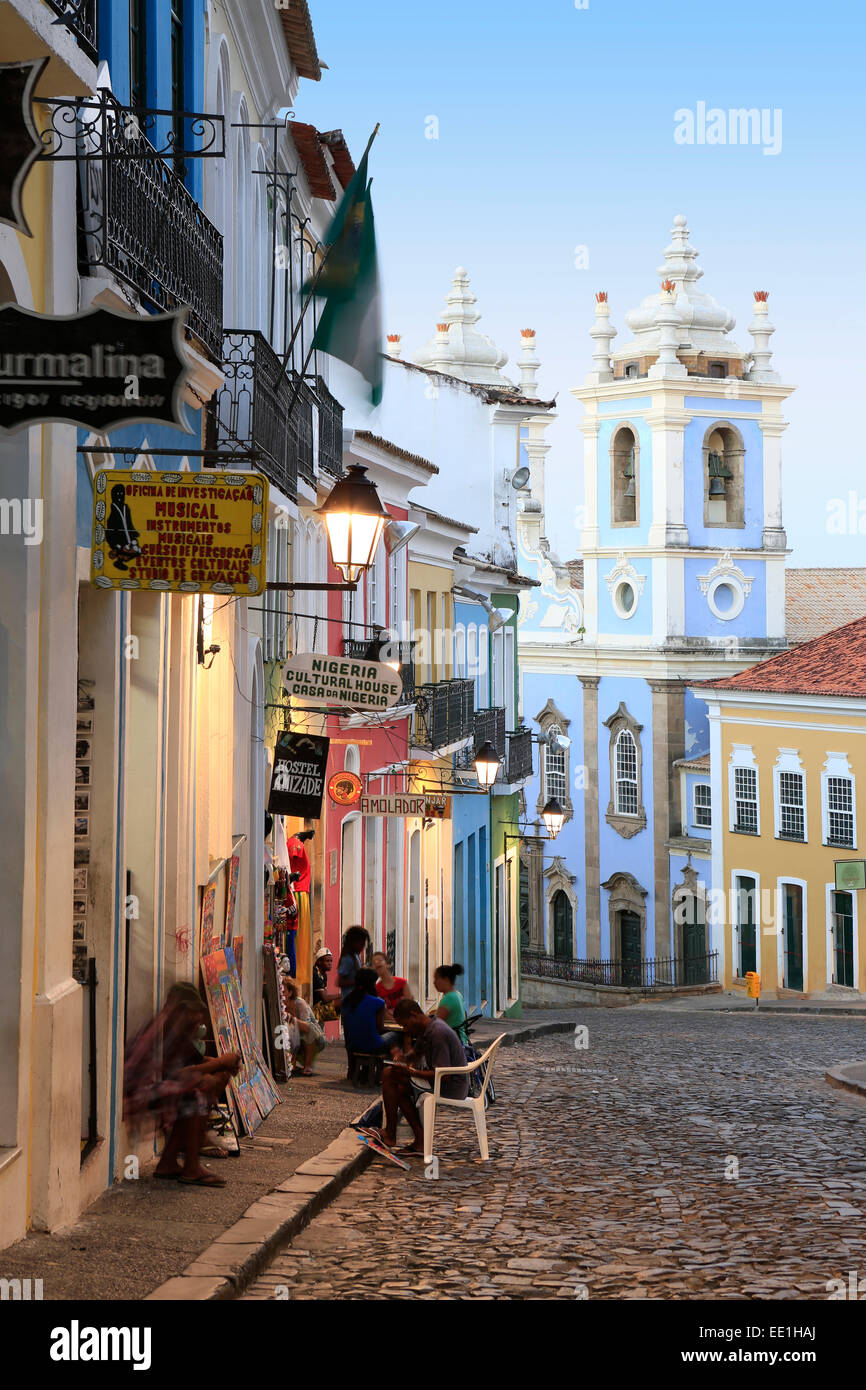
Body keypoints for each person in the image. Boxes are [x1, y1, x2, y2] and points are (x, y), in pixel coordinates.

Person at [123, 981, 241, 1187]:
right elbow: (180, 1074)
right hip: (137, 1093)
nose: (198, 1018)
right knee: (199, 1089)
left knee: (206, 1081)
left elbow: (195, 1062)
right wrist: (222, 1063)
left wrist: (225, 1066)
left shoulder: (177, 1028)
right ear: (181, 1010)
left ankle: (168, 1162)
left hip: (156, 1088)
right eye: (194, 1012)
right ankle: (192, 1166)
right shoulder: (165, 1029)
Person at [375, 1000, 469, 1156]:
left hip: (451, 1087)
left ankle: (392, 1134)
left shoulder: (437, 1032)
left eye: (405, 1025)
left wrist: (411, 1072)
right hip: (439, 1081)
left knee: (389, 1075)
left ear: (413, 1016)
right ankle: (417, 1138)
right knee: (398, 1083)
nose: (405, 1029)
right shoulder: (427, 1029)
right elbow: (415, 1055)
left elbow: (444, 1075)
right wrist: (401, 1058)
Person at [341, 968, 402, 1070]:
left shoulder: (346, 1001)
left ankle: (366, 1070)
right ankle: (390, 1070)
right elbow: (380, 1028)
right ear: (372, 983)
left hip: (351, 1044)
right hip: (372, 1045)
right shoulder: (378, 1002)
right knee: (398, 1035)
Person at [282, 973, 325, 1076]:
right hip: (295, 1038)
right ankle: (291, 1064)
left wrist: (290, 1018)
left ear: (290, 992)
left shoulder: (299, 1003)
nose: (281, 994)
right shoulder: (280, 1005)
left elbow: (307, 1027)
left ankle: (307, 1066)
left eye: (283, 992)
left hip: (315, 1039)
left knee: (306, 1031)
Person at [432, 963, 468, 1043]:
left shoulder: (449, 998)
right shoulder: (457, 994)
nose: (434, 982)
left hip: (452, 1043)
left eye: (436, 978)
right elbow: (465, 1015)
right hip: (462, 1040)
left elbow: (435, 1025)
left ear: (446, 980)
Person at [337, 926, 370, 1001]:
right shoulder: (347, 959)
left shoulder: (355, 956)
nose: (363, 946)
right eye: (361, 943)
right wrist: (359, 981)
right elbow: (339, 982)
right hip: (350, 1001)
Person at [312, 946, 341, 1023]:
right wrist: (342, 995)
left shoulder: (324, 975)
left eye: (331, 961)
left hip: (320, 1006)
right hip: (313, 1010)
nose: (330, 963)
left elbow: (326, 996)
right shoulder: (315, 974)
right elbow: (325, 998)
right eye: (327, 961)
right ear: (319, 962)